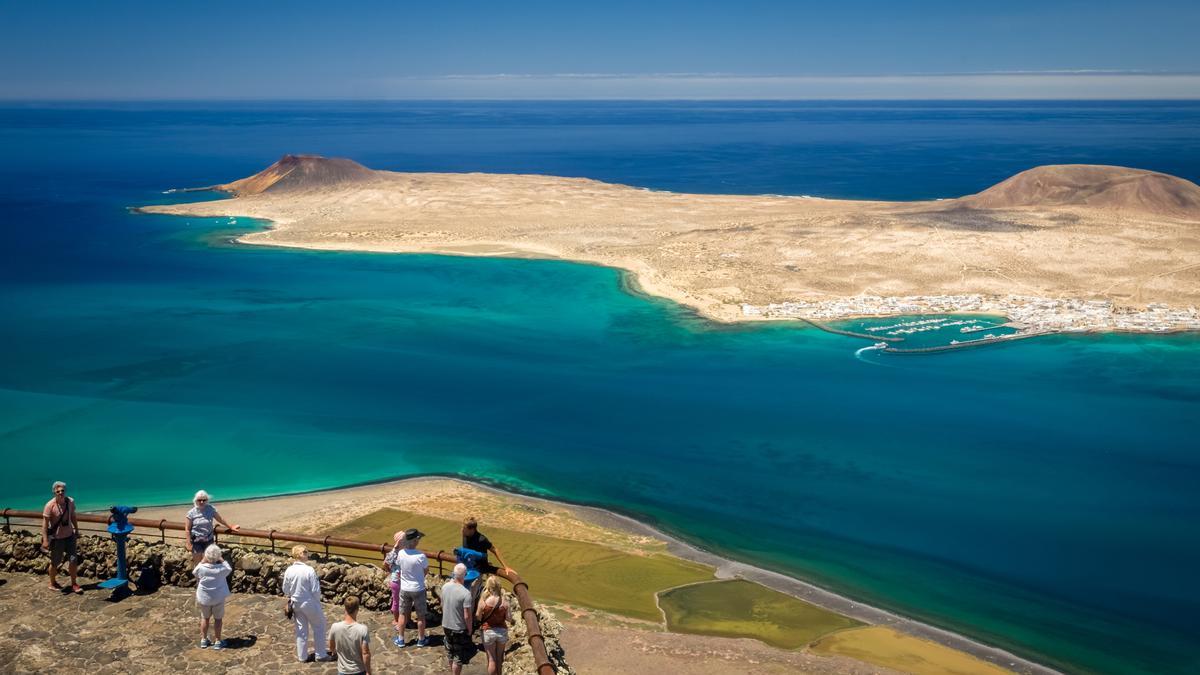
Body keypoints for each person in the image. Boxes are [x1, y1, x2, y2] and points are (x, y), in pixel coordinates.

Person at [282, 545, 333, 663]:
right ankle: (320, 654)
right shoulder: (309, 570)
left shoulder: (289, 570)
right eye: (305, 552)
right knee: (319, 626)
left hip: (295, 602)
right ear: (299, 554)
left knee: (301, 630)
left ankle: (302, 656)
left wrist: (292, 594)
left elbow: (285, 589)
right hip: (308, 601)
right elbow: (315, 590)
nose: (307, 554)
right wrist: (316, 602)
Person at [390, 528, 429, 648]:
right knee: (421, 615)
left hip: (405, 588)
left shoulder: (401, 554)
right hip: (418, 588)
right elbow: (425, 570)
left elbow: (398, 565)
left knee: (402, 614)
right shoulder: (421, 556)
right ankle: (421, 639)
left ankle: (401, 639)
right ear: (415, 541)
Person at [41, 481, 81, 594]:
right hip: (57, 539)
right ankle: (52, 583)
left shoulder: (70, 502)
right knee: (55, 562)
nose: (60, 493)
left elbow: (73, 516)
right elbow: (44, 525)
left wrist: (76, 530)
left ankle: (74, 583)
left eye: (62, 491)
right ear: (54, 492)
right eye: (58, 491)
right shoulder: (50, 505)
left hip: (70, 536)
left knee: (73, 560)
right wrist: (45, 540)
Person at [193, 543, 232, 649]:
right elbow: (228, 568)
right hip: (218, 598)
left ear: (206, 555)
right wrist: (221, 559)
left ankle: (204, 640)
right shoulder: (221, 569)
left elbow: (195, 572)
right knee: (218, 619)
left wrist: (202, 560)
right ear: (218, 556)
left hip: (205, 598)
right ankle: (218, 641)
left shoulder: (202, 568)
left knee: (205, 618)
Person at [185, 490, 240, 564]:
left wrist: (230, 527)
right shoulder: (191, 513)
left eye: (204, 500)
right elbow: (187, 529)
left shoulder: (210, 509)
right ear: (195, 500)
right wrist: (188, 543)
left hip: (209, 540)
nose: (201, 502)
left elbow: (220, 519)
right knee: (198, 564)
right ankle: (198, 576)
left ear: (207, 500)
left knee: (208, 563)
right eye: (199, 500)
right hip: (196, 542)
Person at [440, 563, 474, 675]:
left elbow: (442, 605)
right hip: (459, 628)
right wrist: (470, 629)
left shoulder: (444, 587)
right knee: (458, 657)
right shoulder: (466, 593)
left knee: (450, 652)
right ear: (464, 575)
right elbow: (467, 616)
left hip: (446, 625)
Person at [475, 575, 514, 675]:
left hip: (488, 631)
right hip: (501, 631)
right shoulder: (505, 601)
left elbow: (478, 616)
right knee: (499, 658)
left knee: (491, 659)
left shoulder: (484, 601)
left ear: (488, 586)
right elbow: (509, 619)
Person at [329, 595, 371, 675]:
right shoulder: (363, 629)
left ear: (345, 609)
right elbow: (365, 653)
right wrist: (368, 672)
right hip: (359, 670)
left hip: (343, 671)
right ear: (357, 610)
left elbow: (331, 647)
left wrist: (335, 652)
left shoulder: (335, 627)